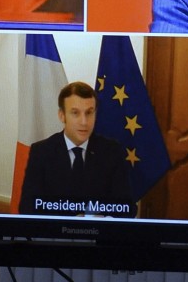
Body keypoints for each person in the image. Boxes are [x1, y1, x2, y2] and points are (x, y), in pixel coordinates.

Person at [18, 82, 133, 217]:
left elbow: (128, 207)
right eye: (75, 113)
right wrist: (67, 221)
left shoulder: (113, 151)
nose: (84, 122)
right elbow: (27, 207)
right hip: (57, 235)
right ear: (62, 115)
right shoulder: (41, 152)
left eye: (89, 113)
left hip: (99, 234)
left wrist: (104, 219)